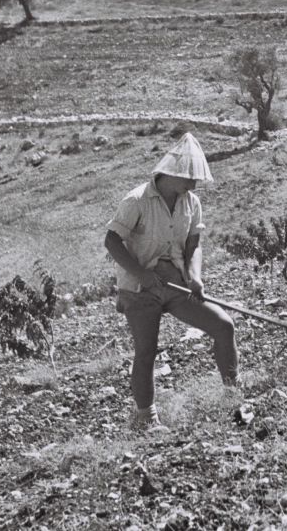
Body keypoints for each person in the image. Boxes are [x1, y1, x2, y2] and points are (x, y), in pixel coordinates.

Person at [104, 132, 239, 431]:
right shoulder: (137, 200)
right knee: (146, 351)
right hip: (140, 290)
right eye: (190, 177)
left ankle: (233, 394)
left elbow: (194, 246)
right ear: (172, 172)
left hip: (176, 285)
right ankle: (146, 419)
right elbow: (112, 241)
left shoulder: (191, 203)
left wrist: (195, 277)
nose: (194, 183)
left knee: (224, 326)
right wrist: (141, 274)